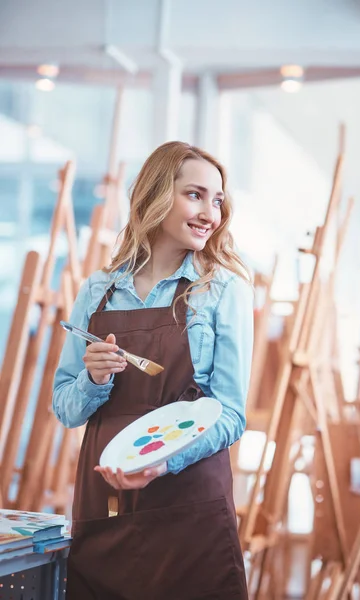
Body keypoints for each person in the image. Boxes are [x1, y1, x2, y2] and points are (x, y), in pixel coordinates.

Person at [53, 141, 254, 600]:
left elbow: (230, 414)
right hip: (105, 501)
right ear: (157, 195)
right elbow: (65, 409)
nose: (210, 213)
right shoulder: (98, 290)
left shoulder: (223, 290)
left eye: (218, 200)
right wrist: (95, 379)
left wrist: (163, 461)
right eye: (195, 195)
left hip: (190, 505)